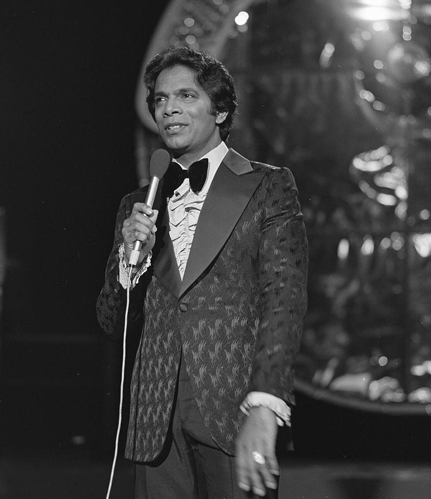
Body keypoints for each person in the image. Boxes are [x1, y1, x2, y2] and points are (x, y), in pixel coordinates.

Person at [97, 46, 308, 498]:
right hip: (155, 422)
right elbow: (110, 319)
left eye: (186, 96)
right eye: (160, 99)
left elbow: (284, 300)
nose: (169, 108)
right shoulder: (137, 204)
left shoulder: (267, 185)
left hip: (233, 409)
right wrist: (130, 263)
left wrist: (266, 405)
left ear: (221, 110)